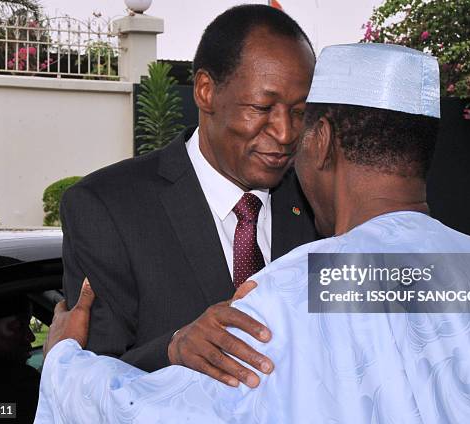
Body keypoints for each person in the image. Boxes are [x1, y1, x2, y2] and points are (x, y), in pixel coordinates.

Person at [37, 44, 470, 423]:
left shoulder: (296, 293)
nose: (286, 138)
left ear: (323, 141)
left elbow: (155, 414)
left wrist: (63, 361)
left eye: (302, 124)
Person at [60, 4, 317, 388]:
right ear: (206, 91)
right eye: (262, 108)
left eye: (299, 112)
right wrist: (174, 349)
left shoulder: (319, 206)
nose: (285, 133)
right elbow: (91, 381)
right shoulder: (106, 208)